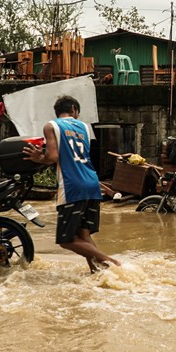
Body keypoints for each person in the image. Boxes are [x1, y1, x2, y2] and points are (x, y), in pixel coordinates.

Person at [24, 95, 120, 273]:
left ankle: (109, 261)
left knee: (65, 240)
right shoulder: (84, 127)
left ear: (57, 111)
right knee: (83, 235)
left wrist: (39, 158)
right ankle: (99, 272)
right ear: (74, 110)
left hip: (72, 186)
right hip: (92, 184)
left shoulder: (51, 126)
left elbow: (52, 157)